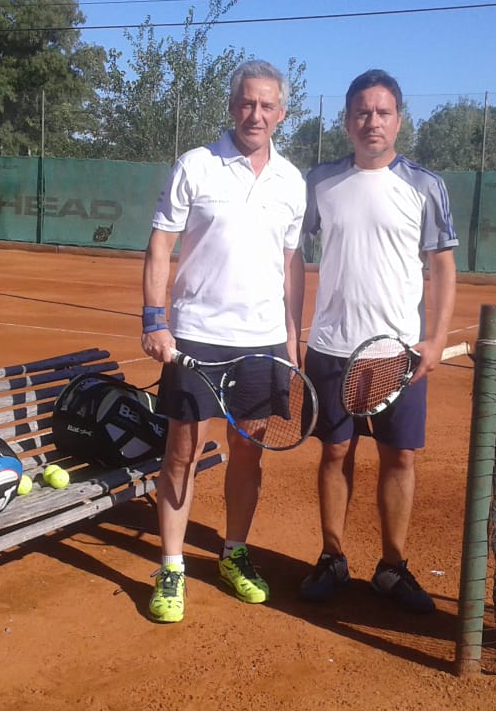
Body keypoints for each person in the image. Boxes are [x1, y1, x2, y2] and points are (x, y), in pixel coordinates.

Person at [140, 59, 306, 624]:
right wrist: (154, 320)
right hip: (196, 336)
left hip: (262, 341)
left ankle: (234, 553)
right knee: (182, 453)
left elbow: (291, 262)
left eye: (267, 105)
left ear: (282, 113)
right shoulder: (197, 165)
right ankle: (172, 565)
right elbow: (161, 244)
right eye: (247, 103)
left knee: (248, 454)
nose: (256, 114)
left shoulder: (291, 181)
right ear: (233, 106)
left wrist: (292, 336)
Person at [297, 69, 458, 613]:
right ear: (346, 121)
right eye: (362, 112)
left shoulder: (426, 185)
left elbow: (443, 266)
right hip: (331, 346)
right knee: (334, 451)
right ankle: (332, 557)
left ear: (398, 121)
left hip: (398, 352)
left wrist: (435, 340)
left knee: (400, 458)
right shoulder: (319, 181)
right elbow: (290, 250)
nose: (372, 122)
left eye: (383, 112)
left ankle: (392, 567)